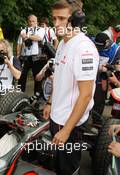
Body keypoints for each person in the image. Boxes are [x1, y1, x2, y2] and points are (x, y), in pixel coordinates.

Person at [43, 1, 99, 174]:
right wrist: (50, 103)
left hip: (70, 124)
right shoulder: (62, 43)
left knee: (68, 168)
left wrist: (67, 130)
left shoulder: (84, 48)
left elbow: (86, 95)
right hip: (56, 117)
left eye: (62, 18)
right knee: (57, 165)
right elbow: (58, 77)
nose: (56, 24)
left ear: (76, 20)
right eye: (54, 18)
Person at [93, 32, 120, 116]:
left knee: (99, 101)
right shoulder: (90, 43)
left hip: (103, 79)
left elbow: (117, 66)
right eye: (97, 46)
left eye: (101, 47)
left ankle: (96, 123)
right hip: (90, 76)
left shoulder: (116, 49)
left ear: (107, 42)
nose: (98, 49)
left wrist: (108, 67)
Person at [17, 15, 45, 94]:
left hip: (37, 57)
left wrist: (27, 36)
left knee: (37, 77)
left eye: (33, 21)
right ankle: (20, 94)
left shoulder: (41, 29)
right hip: (25, 57)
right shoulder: (23, 30)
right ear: (28, 21)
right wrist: (18, 54)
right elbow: (19, 43)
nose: (31, 23)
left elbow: (39, 38)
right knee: (22, 76)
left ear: (37, 22)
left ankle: (37, 96)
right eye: (30, 21)